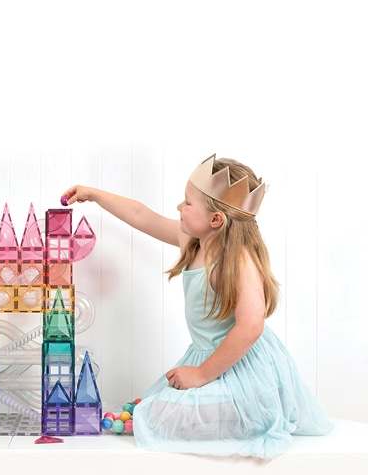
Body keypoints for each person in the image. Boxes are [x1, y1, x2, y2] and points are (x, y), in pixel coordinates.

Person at [61, 153, 334, 459]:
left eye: (187, 202)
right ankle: (237, 409)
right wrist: (95, 194)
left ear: (215, 220)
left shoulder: (238, 260)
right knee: (152, 412)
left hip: (242, 366)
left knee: (158, 417)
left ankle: (256, 408)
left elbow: (251, 326)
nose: (179, 207)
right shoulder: (192, 242)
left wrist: (202, 374)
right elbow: (140, 214)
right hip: (211, 359)